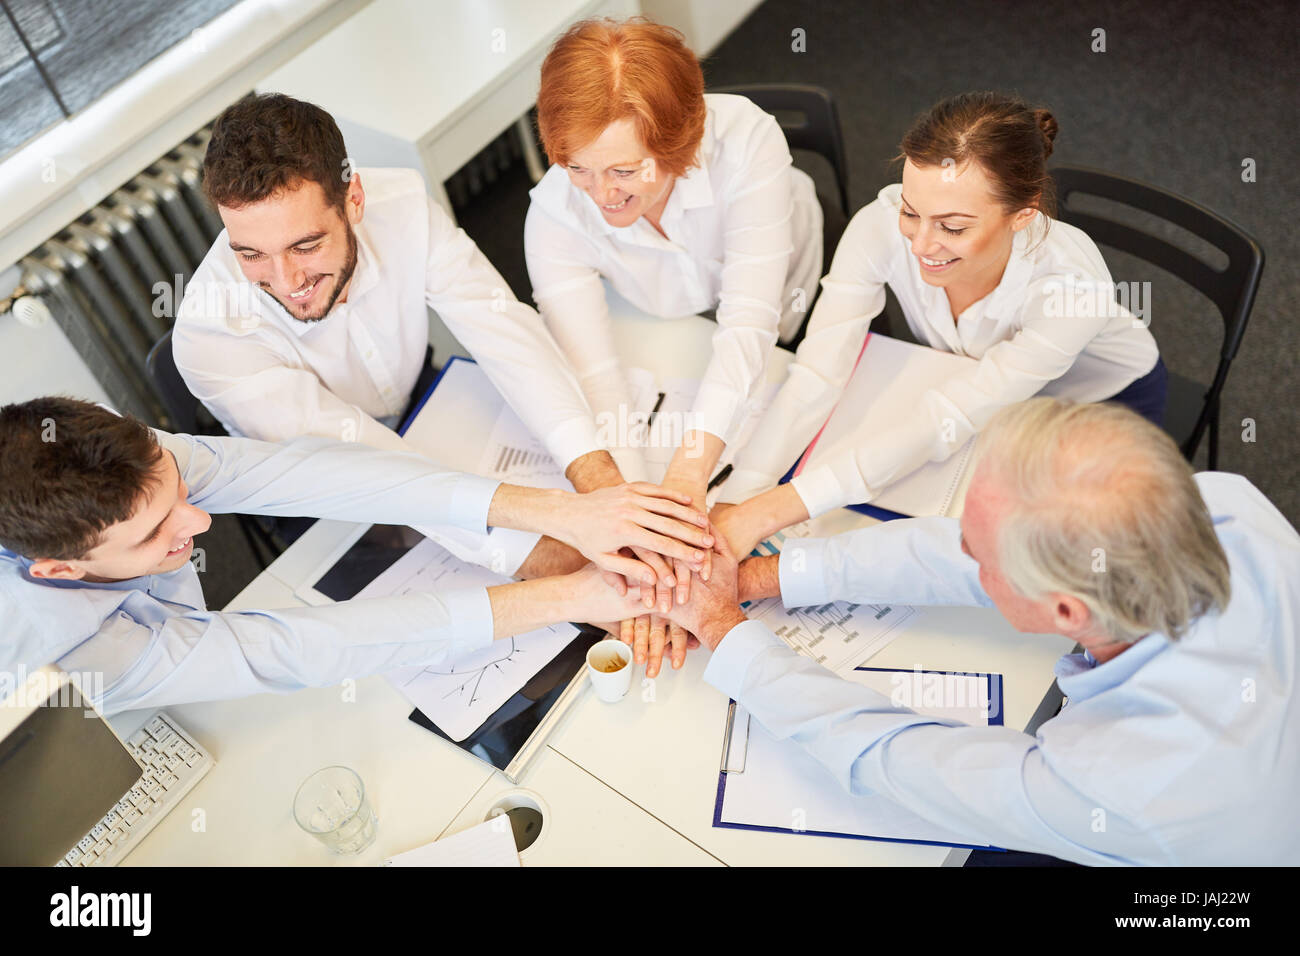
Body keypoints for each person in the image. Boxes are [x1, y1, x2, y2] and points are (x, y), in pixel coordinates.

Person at [667, 398, 1296, 865]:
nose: (960, 548)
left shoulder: (1123, 784)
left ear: (1068, 615)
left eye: (981, 557)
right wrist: (757, 578)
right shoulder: (1223, 504)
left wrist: (726, 631)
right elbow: (963, 550)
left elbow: (891, 759)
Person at [172, 93, 678, 590]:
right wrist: (545, 552)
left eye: (306, 245)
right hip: (322, 488)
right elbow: (373, 469)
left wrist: (600, 481)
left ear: (354, 201)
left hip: (425, 403)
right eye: (251, 255)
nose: (285, 281)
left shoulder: (405, 205)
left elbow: (504, 333)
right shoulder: (207, 335)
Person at [0, 398, 695, 715]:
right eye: (157, 531)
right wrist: (572, 597)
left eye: (182, 492)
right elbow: (295, 648)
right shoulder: (55, 655)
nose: (201, 518)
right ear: (59, 570)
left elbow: (321, 475)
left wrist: (559, 512)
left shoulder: (127, 463)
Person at [715, 91, 1166, 557]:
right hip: (970, 380)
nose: (920, 246)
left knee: (1047, 550)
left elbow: (944, 419)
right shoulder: (881, 226)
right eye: (912, 212)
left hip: (1097, 401)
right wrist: (739, 495)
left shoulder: (1074, 290)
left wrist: (771, 511)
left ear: (1024, 214)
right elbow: (818, 371)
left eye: (952, 227)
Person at [525, 17, 822, 663]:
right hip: (664, 317)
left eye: (626, 170)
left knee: (784, 374)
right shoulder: (554, 212)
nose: (602, 195)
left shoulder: (746, 140)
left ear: (681, 141)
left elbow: (748, 323)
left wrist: (687, 478)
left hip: (779, 289)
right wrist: (640, 532)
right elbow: (597, 377)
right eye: (578, 167)